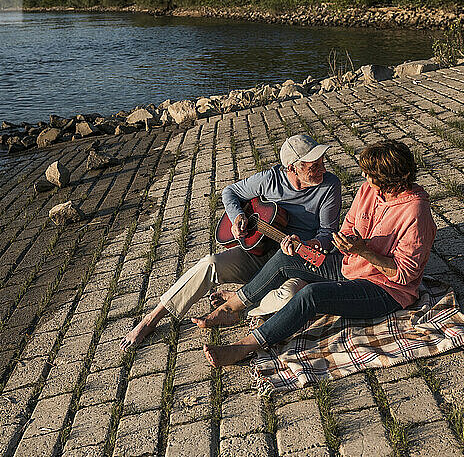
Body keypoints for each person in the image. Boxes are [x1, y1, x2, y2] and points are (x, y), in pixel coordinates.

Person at [198, 140, 437, 367]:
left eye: (370, 174)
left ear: (389, 179)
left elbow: (404, 275)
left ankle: (245, 346)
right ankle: (230, 309)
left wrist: (362, 250)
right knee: (287, 257)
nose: (364, 177)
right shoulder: (368, 191)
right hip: (349, 265)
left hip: (384, 289)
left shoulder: (416, 212)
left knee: (312, 295)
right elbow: (347, 228)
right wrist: (312, 244)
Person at [120, 134, 342, 350]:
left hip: (295, 260)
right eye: (314, 165)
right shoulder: (269, 180)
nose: (323, 169)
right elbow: (230, 192)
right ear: (292, 167)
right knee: (210, 263)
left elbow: (327, 233)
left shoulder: (329, 185)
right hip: (258, 252)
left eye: (322, 162)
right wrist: (237, 216)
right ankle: (152, 319)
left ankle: (237, 307)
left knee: (292, 296)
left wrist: (309, 244)